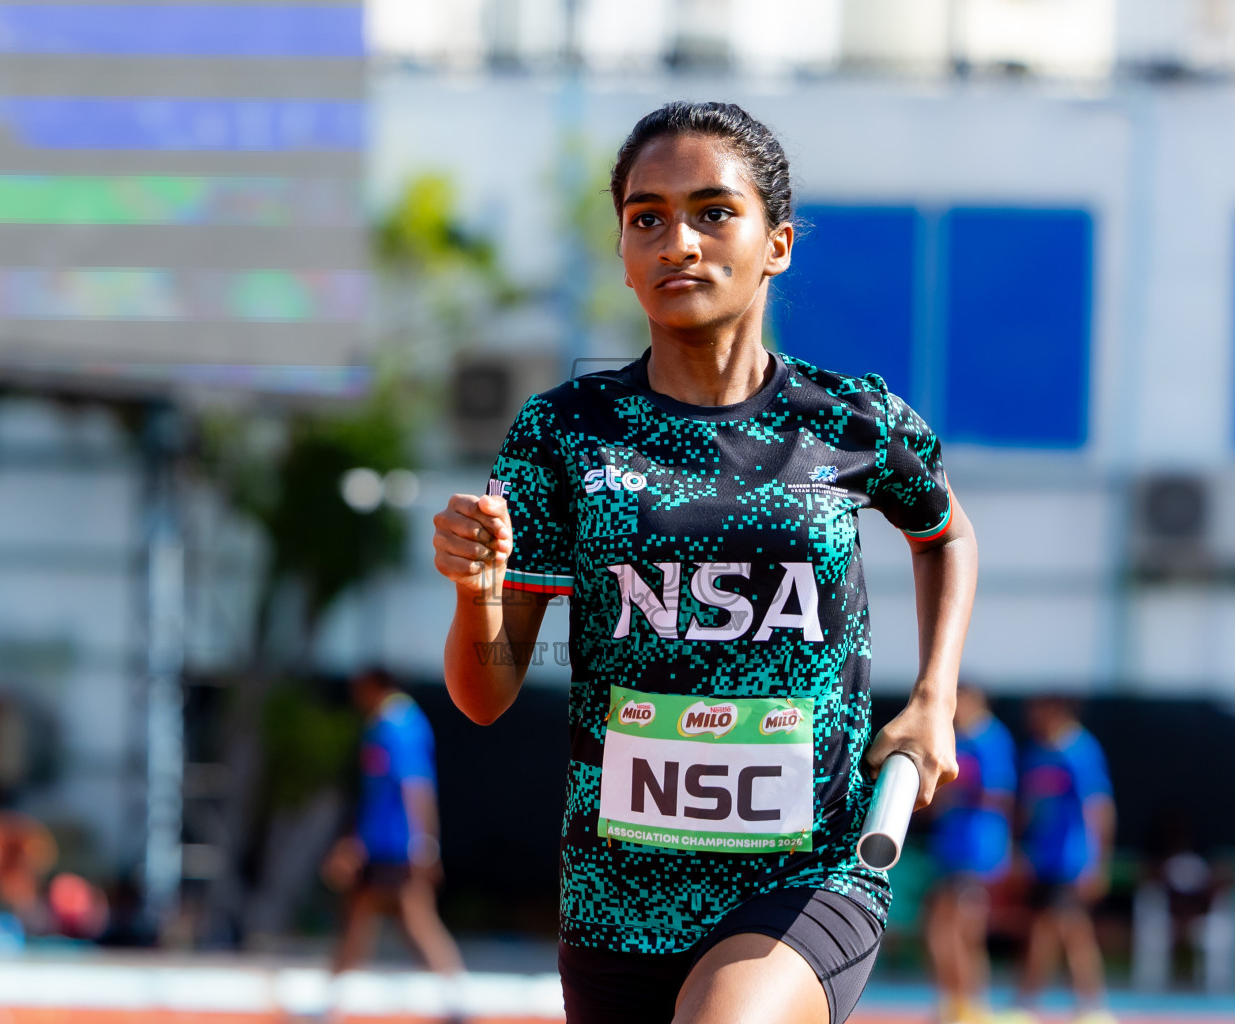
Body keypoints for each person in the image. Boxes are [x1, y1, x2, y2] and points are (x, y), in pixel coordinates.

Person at [432, 101, 979, 1024]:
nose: (677, 240)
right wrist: (476, 591)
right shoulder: (563, 435)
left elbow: (946, 533)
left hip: (811, 870)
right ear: (624, 252)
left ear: (779, 243)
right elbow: (484, 694)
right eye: (647, 219)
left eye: (713, 211)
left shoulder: (849, 421)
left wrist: (934, 699)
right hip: (619, 892)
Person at [321, 668, 463, 1009]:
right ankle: (331, 1001)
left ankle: (456, 998)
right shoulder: (388, 724)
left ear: (374, 686)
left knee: (406, 917)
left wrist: (425, 844)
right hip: (383, 844)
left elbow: (417, 786)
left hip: (395, 846)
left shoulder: (398, 724)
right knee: (369, 917)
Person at [1004, 697, 1116, 1024]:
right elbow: (1028, 809)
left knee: (1056, 930)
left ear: (1055, 710)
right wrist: (1020, 851)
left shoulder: (1081, 751)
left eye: (1037, 709)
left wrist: (1098, 861)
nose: (1031, 716)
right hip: (1043, 859)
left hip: (1072, 859)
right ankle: (1085, 1006)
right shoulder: (1038, 753)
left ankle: (1038, 1004)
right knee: (1061, 931)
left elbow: (1099, 808)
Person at [924, 684, 1015, 1024]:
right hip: (951, 848)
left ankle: (968, 1004)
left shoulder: (990, 740)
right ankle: (960, 1002)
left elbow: (998, 796)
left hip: (976, 851)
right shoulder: (955, 736)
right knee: (947, 930)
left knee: (958, 930)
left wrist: (953, 796)